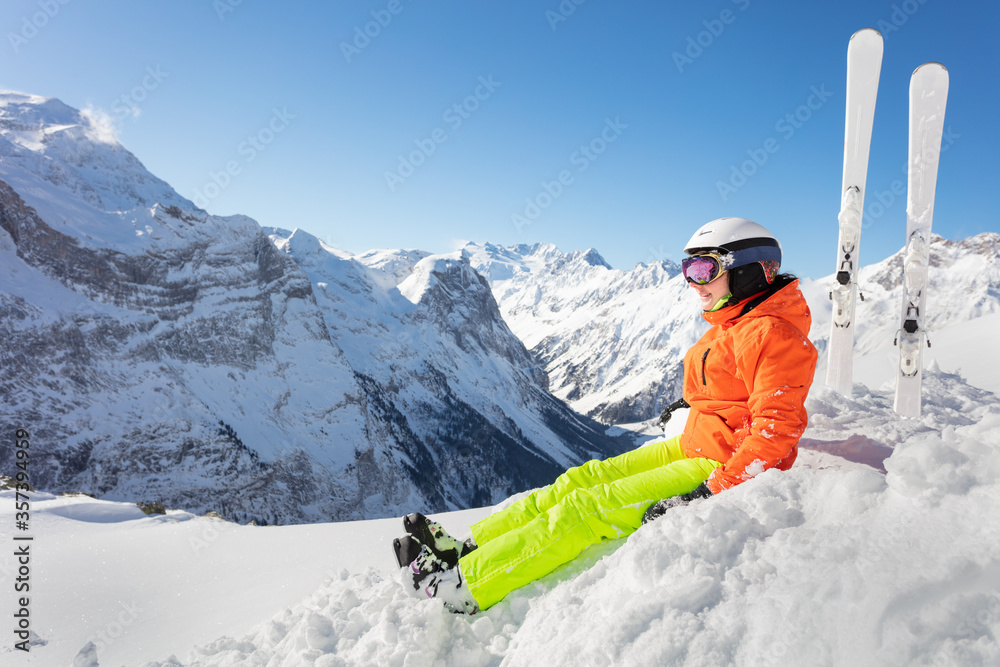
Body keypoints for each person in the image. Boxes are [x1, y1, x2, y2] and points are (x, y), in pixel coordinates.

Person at [395, 217, 819, 614]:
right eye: (688, 270)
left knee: (587, 509)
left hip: (717, 461)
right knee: (577, 481)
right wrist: (692, 406)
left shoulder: (774, 335)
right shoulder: (733, 323)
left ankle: (465, 586)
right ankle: (467, 549)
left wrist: (711, 490)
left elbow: (775, 433)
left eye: (705, 270)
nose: (694, 284)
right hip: (695, 443)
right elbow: (732, 391)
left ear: (747, 272)